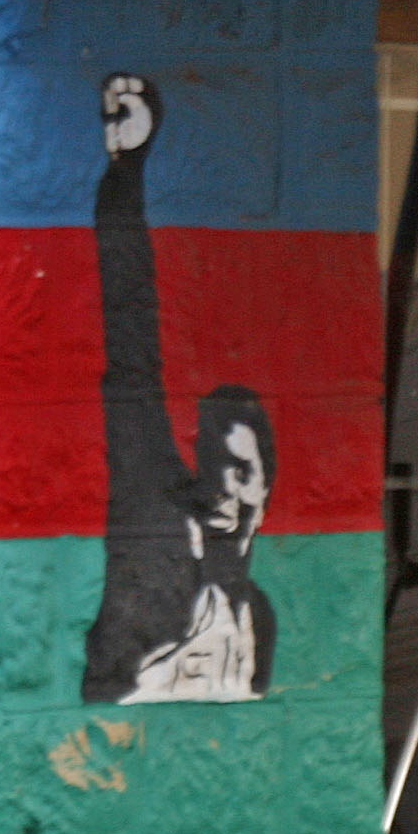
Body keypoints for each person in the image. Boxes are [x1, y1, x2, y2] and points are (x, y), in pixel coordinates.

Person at [79, 73, 280, 704]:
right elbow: (131, 344)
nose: (225, 485)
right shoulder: (157, 518)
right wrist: (126, 172)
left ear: (265, 486)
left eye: (240, 468)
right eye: (213, 461)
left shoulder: (257, 617)